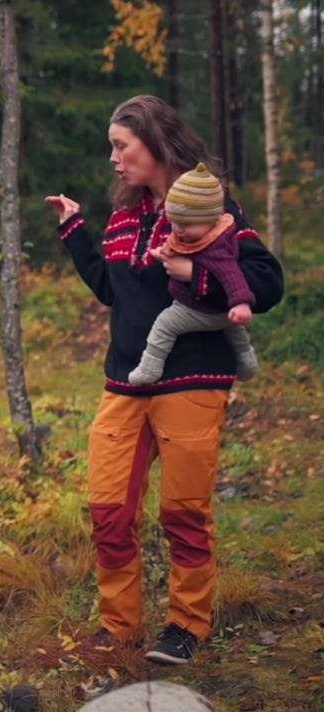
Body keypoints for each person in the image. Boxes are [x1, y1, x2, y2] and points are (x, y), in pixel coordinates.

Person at [45, 94, 284, 665]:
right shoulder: (127, 215)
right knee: (108, 510)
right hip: (125, 381)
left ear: (154, 144)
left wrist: (195, 273)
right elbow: (112, 289)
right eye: (112, 147)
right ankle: (120, 630)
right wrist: (75, 228)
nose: (113, 158)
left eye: (121, 146)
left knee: (183, 512)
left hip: (191, 379)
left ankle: (185, 625)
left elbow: (265, 282)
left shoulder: (210, 206)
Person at [128, 162, 259, 386]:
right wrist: (162, 254)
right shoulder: (195, 233)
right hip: (224, 314)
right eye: (174, 221)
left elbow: (232, 275)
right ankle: (247, 363)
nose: (178, 229)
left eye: (185, 223)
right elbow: (176, 245)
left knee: (164, 324)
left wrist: (241, 304)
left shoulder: (216, 247)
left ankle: (150, 368)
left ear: (210, 219)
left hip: (198, 307)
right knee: (235, 332)